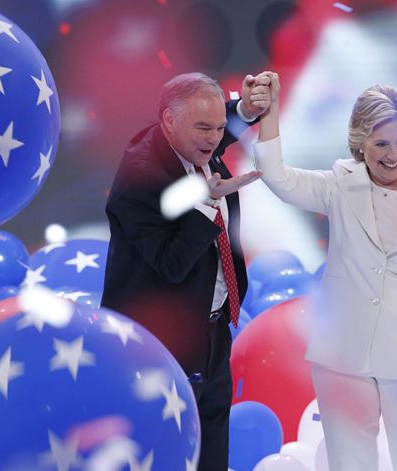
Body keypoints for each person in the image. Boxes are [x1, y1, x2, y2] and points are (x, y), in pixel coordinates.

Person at [253, 76, 397, 471]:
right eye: (381, 144)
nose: (393, 154)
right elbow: (277, 177)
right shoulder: (338, 186)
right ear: (360, 143)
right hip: (343, 355)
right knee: (349, 463)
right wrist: (271, 112)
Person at [101, 71, 270, 471]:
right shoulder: (140, 179)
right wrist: (207, 205)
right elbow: (171, 265)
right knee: (162, 452)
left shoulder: (192, 140)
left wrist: (244, 110)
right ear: (169, 122)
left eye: (218, 127)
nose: (214, 139)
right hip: (157, 342)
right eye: (204, 129)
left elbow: (214, 122)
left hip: (210, 329)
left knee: (213, 444)